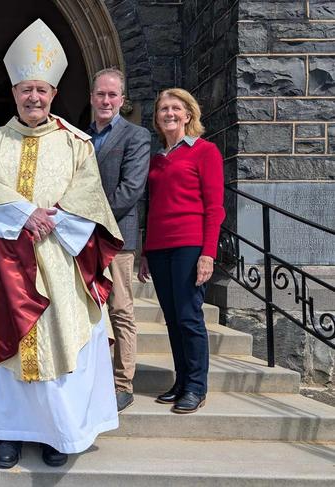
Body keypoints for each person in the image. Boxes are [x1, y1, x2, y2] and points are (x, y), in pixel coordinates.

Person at [0, 19, 123, 469]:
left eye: (42, 89)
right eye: (25, 89)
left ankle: (59, 433)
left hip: (61, 261)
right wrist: (22, 214)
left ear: (53, 93)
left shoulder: (77, 144)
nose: (33, 96)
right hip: (8, 263)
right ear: (14, 92)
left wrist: (54, 220)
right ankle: (8, 433)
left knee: (61, 341)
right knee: (9, 345)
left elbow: (90, 195)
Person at [138, 88, 225, 414]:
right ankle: (181, 379)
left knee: (189, 317)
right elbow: (153, 207)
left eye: (176, 108)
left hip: (189, 245)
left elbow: (215, 207)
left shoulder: (205, 152)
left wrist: (208, 253)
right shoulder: (158, 158)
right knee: (172, 319)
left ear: (189, 115)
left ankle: (196, 386)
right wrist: (146, 251)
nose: (169, 113)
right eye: (163, 109)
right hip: (160, 248)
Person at [88, 68, 150, 412]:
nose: (106, 100)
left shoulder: (136, 136)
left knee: (121, 310)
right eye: (101, 94)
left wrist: (87, 217)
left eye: (113, 95)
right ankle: (94, 378)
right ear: (92, 97)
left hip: (117, 239)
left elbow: (131, 189)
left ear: (122, 101)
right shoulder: (79, 137)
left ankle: (122, 383)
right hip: (82, 240)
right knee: (88, 311)